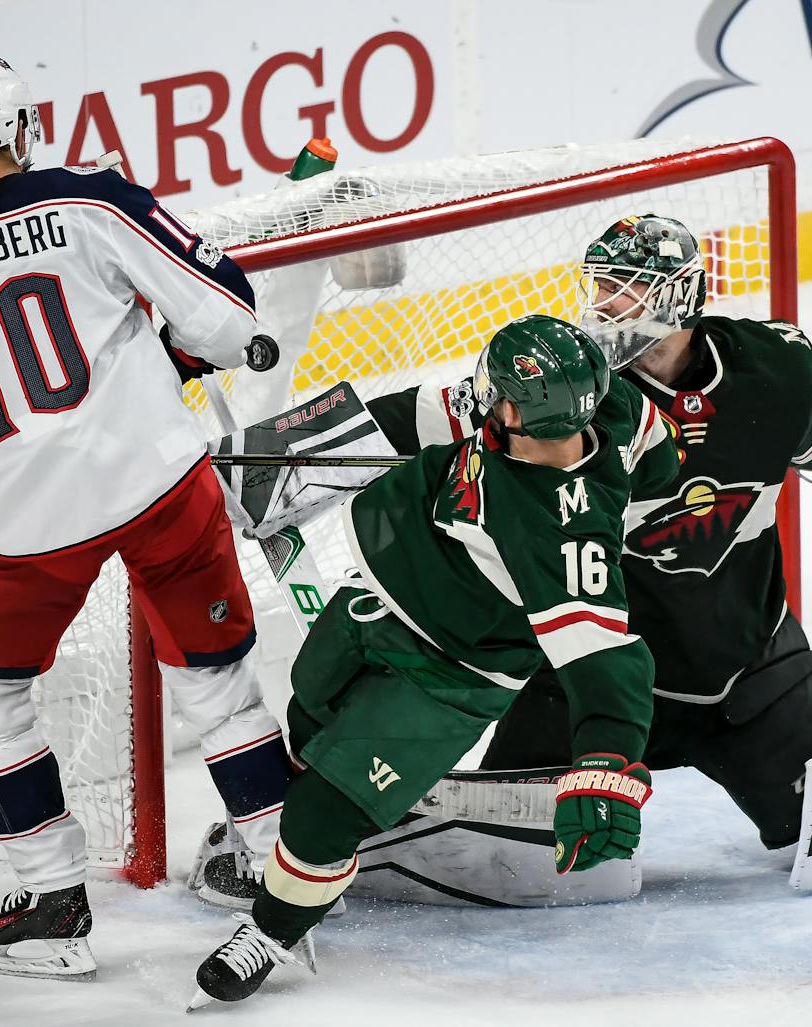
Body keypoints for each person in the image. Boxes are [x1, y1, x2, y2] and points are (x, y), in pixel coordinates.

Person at [366, 214, 812, 862]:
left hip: (749, 674)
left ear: (678, 293)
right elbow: (430, 414)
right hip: (593, 679)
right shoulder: (568, 380)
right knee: (512, 855)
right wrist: (285, 454)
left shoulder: (779, 373)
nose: (603, 303)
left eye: (622, 286)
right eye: (599, 285)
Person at [0, 56, 293, 980]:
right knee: (217, 684)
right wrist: (173, 350)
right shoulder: (91, 200)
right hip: (159, 488)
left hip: (30, 527)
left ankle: (54, 898)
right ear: (23, 132)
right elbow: (223, 317)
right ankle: (283, 883)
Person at [188, 314, 680, 1008]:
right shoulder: (607, 407)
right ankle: (310, 847)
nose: (479, 392)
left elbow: (607, 660)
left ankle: (274, 927)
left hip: (451, 676)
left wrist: (608, 765)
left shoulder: (567, 536)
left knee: (322, 814)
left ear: (514, 410)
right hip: (377, 603)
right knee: (307, 718)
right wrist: (274, 457)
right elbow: (410, 417)